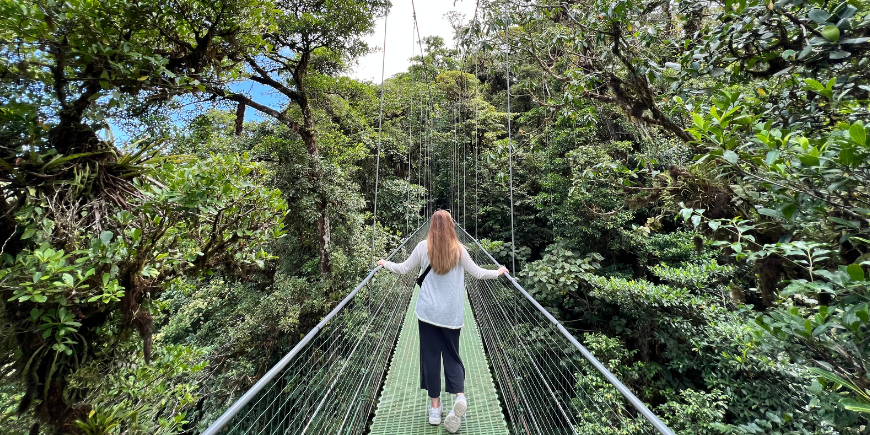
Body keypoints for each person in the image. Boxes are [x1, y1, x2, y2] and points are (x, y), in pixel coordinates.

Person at [377, 210, 508, 433]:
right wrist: (497, 272)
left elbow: (403, 269)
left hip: (428, 314)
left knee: (430, 359)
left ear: (432, 226)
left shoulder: (422, 247)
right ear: (451, 226)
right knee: (452, 357)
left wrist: (385, 263)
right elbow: (477, 273)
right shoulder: (459, 250)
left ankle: (435, 410)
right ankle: (460, 396)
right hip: (452, 316)